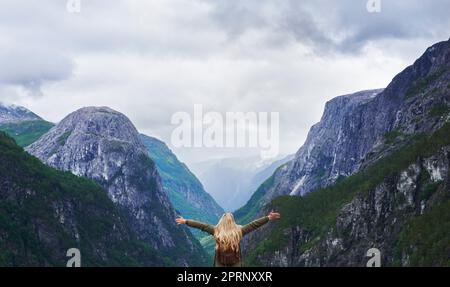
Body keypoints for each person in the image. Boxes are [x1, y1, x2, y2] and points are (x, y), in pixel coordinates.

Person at [175, 211, 281, 267]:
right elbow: (253, 225)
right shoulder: (239, 231)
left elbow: (201, 225)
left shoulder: (216, 231)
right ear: (233, 221)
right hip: (235, 263)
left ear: (221, 221)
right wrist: (268, 218)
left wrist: (186, 221)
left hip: (220, 263)